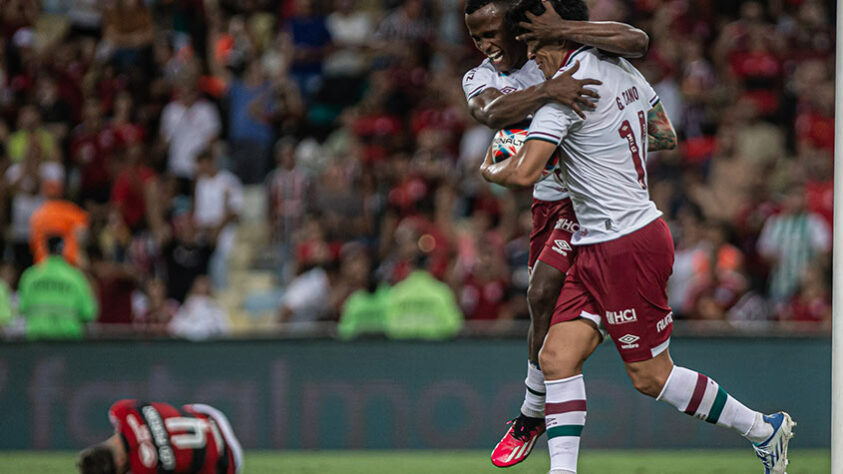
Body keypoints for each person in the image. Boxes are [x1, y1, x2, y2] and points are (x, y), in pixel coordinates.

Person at [481, 1, 793, 472]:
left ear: (552, 36)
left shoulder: (564, 92)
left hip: (627, 244)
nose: (528, 55)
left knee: (651, 377)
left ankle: (762, 429)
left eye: (531, 43)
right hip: (602, 238)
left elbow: (523, 172)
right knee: (557, 357)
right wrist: (600, 148)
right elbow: (663, 134)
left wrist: (490, 167)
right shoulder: (619, 66)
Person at [462, 0, 651, 466]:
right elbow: (490, 111)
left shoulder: (560, 48)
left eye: (491, 33)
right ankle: (536, 406)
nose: (486, 45)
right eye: (475, 37)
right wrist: (551, 92)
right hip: (548, 199)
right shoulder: (483, 76)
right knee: (539, 299)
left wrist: (565, 31)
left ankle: (532, 411)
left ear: (516, 27)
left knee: (544, 286)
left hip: (589, 197)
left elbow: (637, 42)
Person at [77, 399, 243, 474]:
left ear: (119, 463)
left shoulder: (144, 467)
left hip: (229, 462)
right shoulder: (120, 411)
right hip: (211, 416)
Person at [18, 236, 97, 340]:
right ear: (64, 249)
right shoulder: (76, 277)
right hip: (69, 342)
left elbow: (22, 308)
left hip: (37, 341)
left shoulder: (30, 276)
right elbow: (89, 313)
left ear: (45, 249)